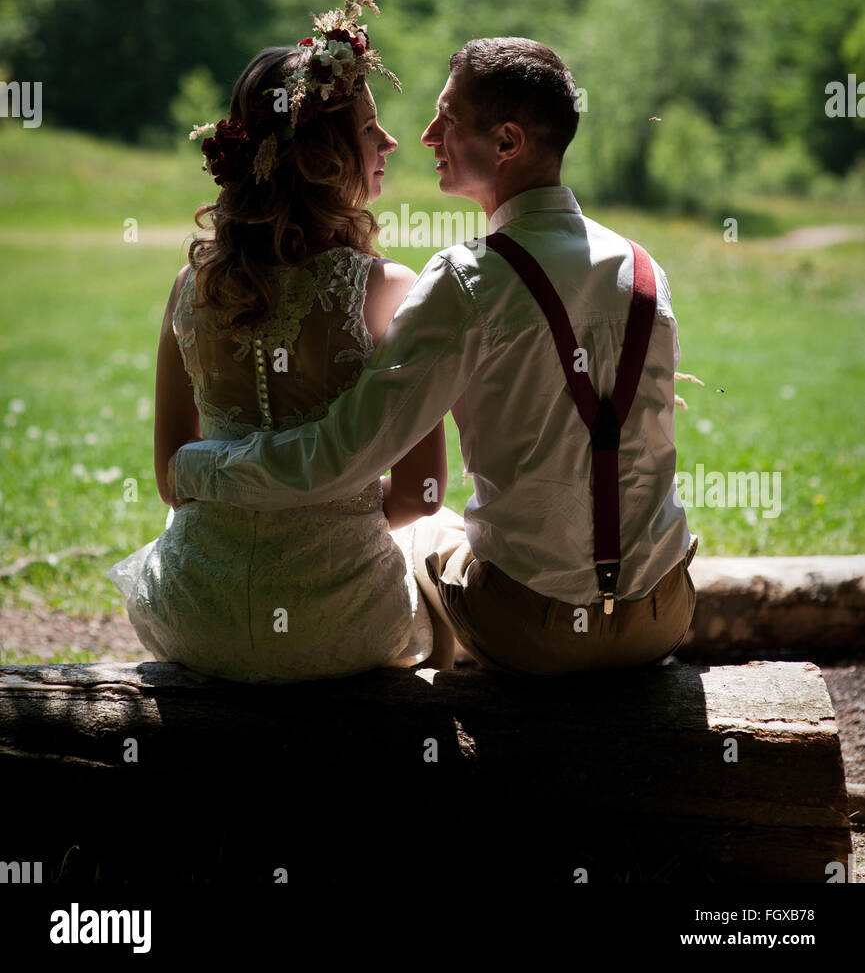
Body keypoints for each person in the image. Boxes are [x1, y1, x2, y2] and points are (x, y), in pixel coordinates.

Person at [170, 36, 699, 675]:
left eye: (445, 118)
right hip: (663, 614)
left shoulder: (467, 279)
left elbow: (341, 455)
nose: (421, 137)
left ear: (506, 143)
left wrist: (196, 470)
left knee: (427, 534)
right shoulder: (644, 270)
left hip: (532, 631)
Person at [108, 0, 467, 682]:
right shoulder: (389, 289)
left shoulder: (192, 288)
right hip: (342, 624)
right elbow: (418, 494)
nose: (390, 141)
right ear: (325, 157)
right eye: (369, 128)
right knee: (442, 531)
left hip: (197, 616)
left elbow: (170, 480)